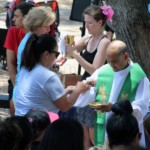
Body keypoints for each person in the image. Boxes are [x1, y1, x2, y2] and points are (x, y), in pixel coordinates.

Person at [75, 40, 150, 147]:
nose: (111, 65)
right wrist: (86, 88)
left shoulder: (138, 76)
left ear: (125, 56)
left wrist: (115, 107)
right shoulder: (104, 71)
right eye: (108, 61)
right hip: (104, 128)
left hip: (126, 132)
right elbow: (90, 94)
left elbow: (142, 108)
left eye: (114, 61)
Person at [64, 5, 113, 150]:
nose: (86, 26)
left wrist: (76, 55)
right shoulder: (89, 37)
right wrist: (67, 47)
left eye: (90, 22)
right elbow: (69, 51)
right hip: (84, 89)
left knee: (93, 135)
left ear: (100, 23)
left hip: (96, 91)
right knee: (83, 134)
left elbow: (94, 69)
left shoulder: (104, 42)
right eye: (85, 22)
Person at [14, 34, 88, 116]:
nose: (56, 58)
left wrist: (67, 90)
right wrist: (78, 90)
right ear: (46, 54)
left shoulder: (25, 69)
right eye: (56, 54)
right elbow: (65, 106)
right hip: (36, 125)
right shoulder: (48, 76)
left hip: (20, 120)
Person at [11, 6, 55, 114]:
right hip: (27, 96)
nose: (49, 30)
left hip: (23, 92)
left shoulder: (30, 39)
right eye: (46, 26)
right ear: (37, 26)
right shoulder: (32, 43)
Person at [4, 2, 35, 116]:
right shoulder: (13, 31)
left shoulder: (38, 34)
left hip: (33, 81)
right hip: (17, 79)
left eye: (16, 16)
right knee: (15, 110)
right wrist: (16, 86)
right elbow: (11, 63)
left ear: (27, 18)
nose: (12, 19)